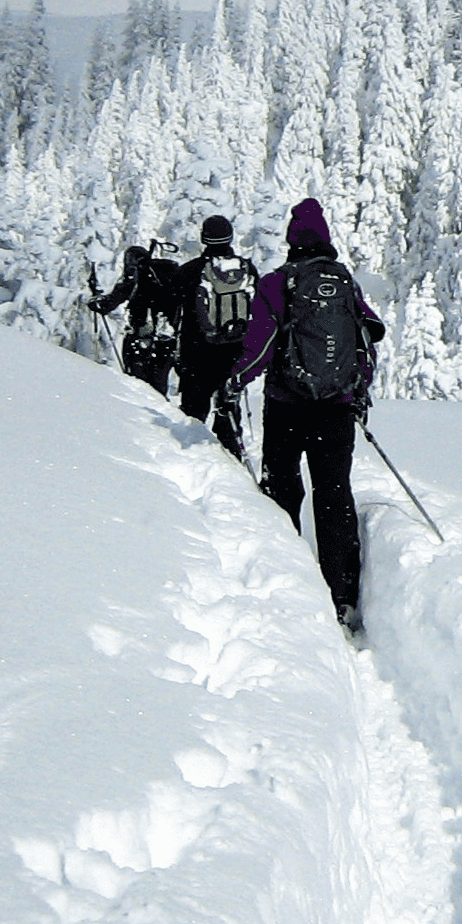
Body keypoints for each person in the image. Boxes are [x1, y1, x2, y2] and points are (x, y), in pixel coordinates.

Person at [235, 198, 386, 635]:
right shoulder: (344, 282)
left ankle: (290, 584)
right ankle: (341, 594)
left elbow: (259, 345)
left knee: (282, 489)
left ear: (291, 240)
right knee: (333, 493)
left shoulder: (277, 284)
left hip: (286, 407)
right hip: (336, 410)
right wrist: (359, 391)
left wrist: (236, 380)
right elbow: (367, 338)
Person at [176, 214, 259, 459]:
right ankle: (231, 457)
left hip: (197, 353)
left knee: (193, 413)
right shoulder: (246, 269)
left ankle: (194, 461)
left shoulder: (192, 271)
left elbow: (171, 300)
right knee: (228, 410)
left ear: (204, 238)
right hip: (234, 351)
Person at [89, 241, 188, 397]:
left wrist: (95, 299)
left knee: (136, 385)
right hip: (167, 340)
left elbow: (108, 304)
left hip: (140, 338)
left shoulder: (134, 278)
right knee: (158, 385)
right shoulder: (168, 278)